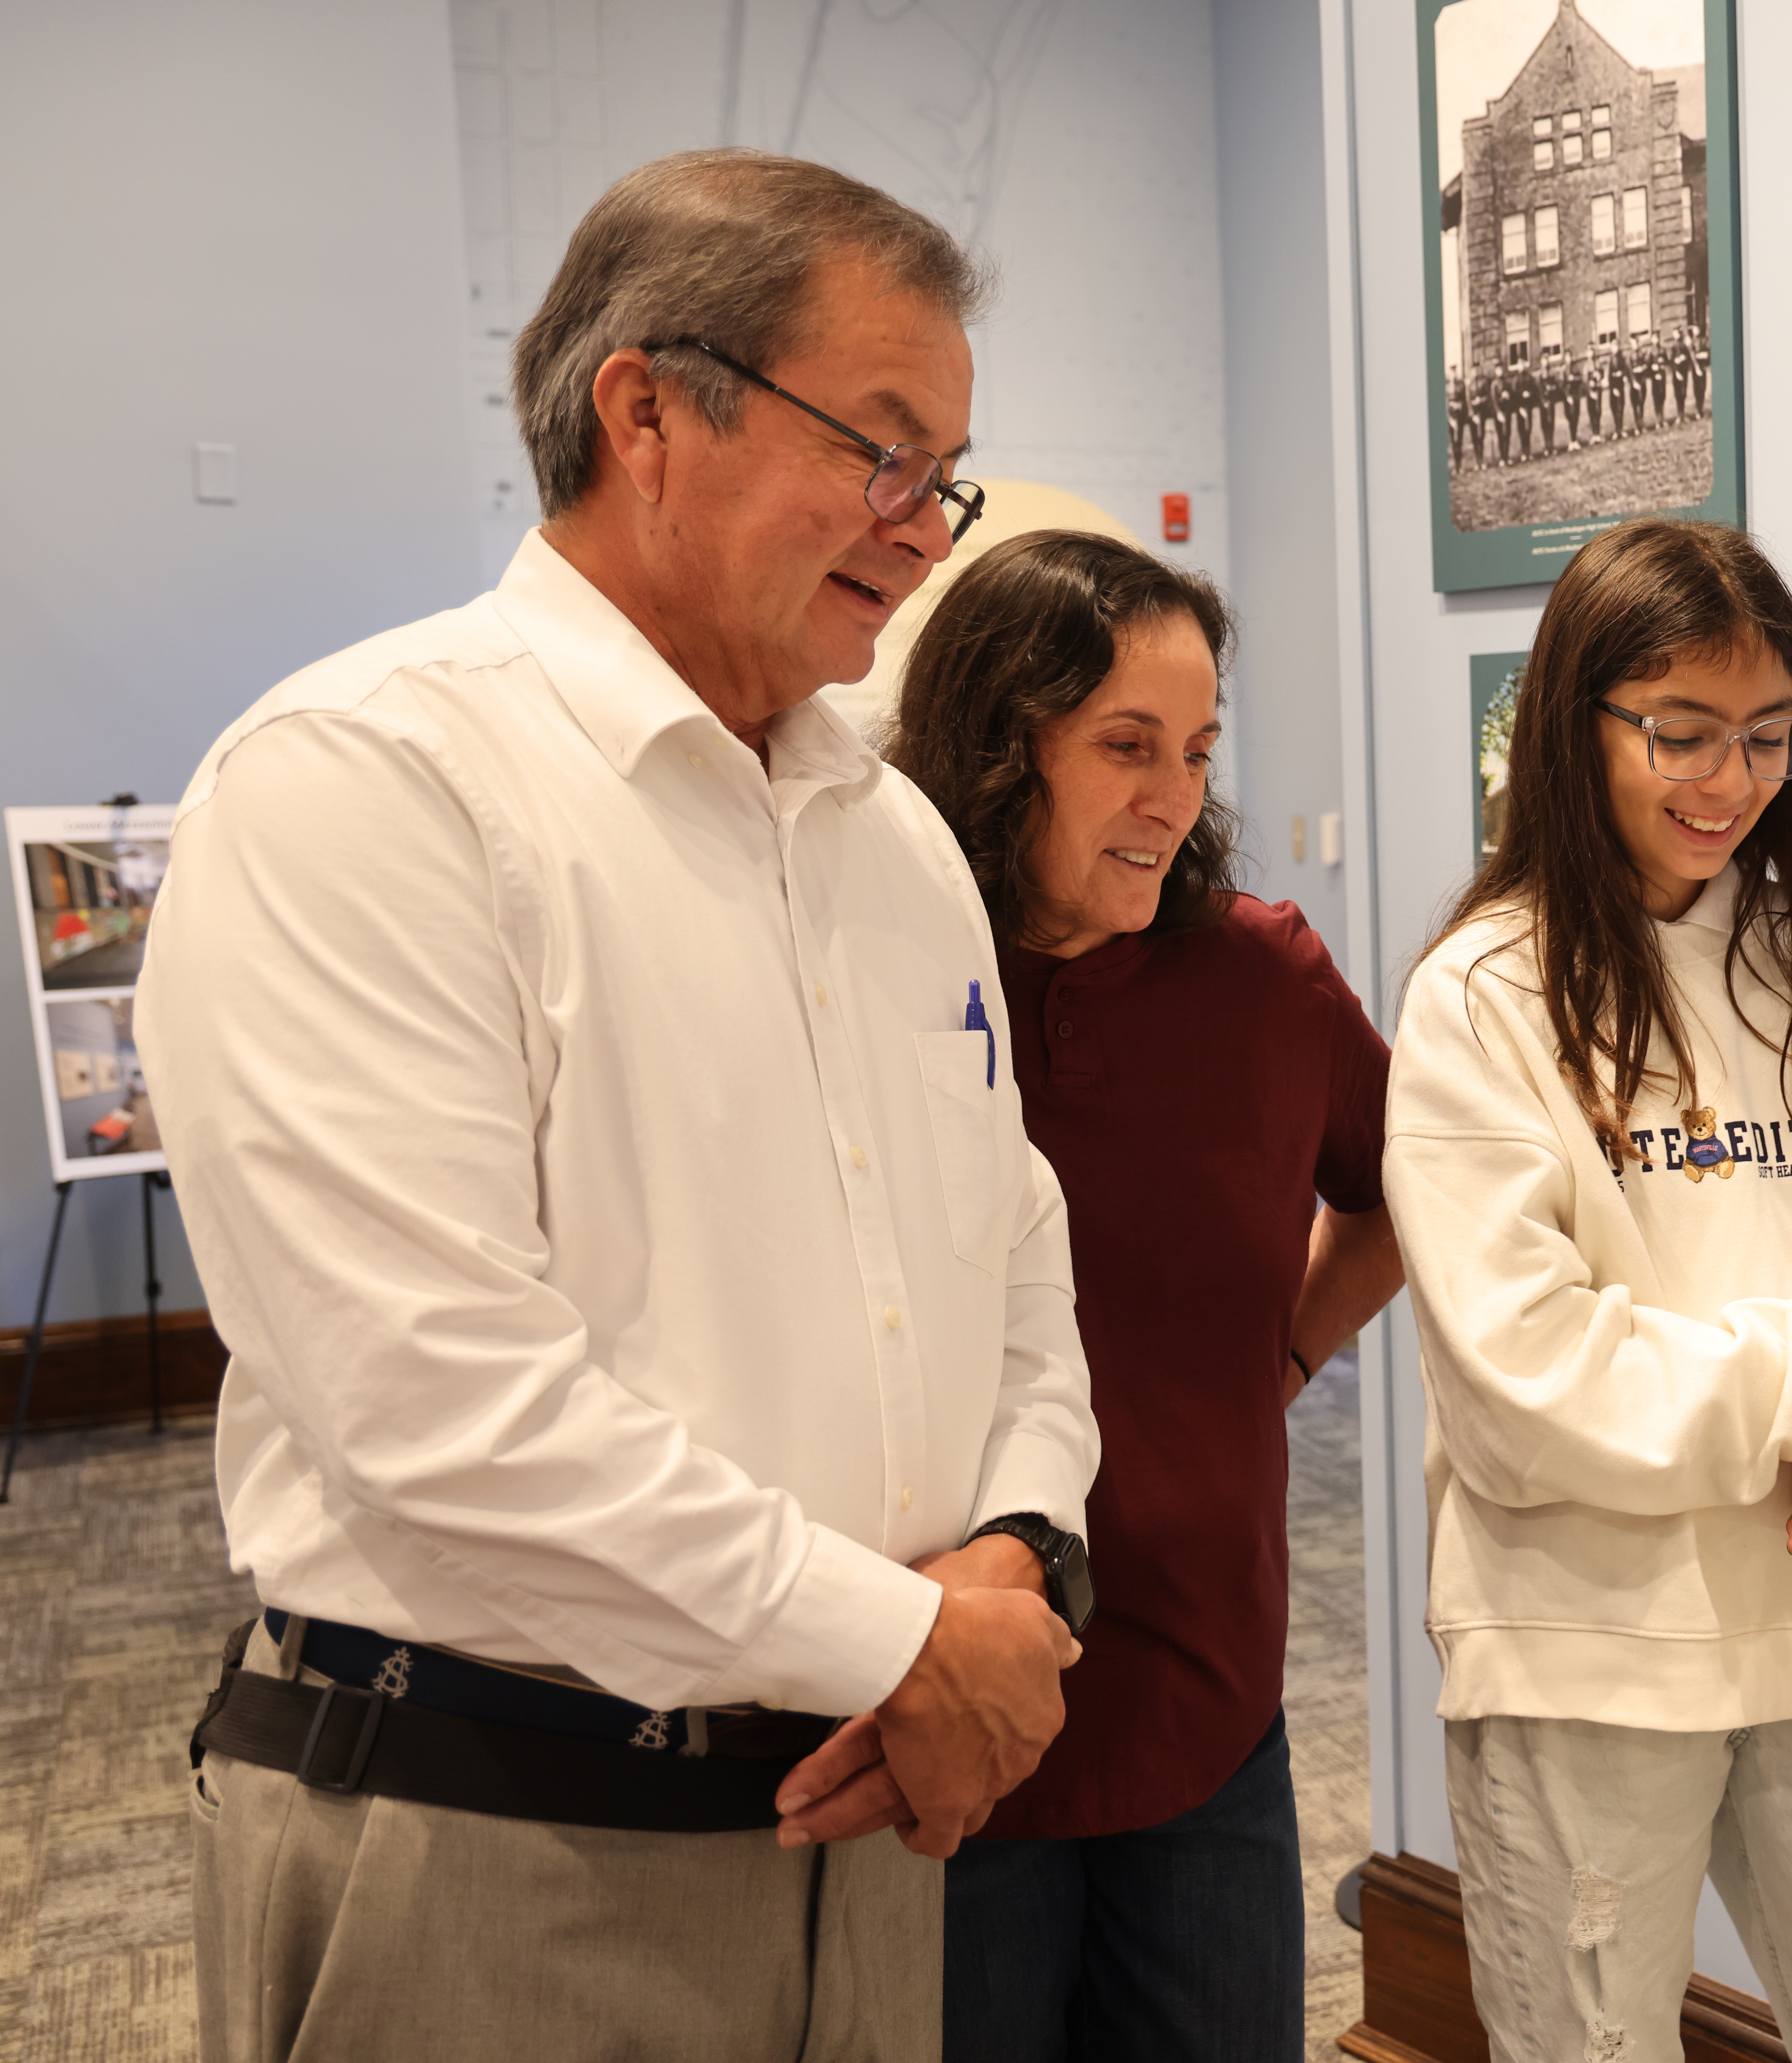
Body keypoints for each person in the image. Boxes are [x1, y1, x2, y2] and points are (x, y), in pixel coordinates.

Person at [144, 150, 1097, 2063]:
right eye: (882, 453)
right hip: (501, 1840)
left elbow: (1010, 1250)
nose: (929, 532)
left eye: (949, 475)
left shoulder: (892, 834)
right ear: (645, 408)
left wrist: (1016, 1547)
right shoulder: (370, 783)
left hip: (868, 1829)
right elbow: (437, 1402)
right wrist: (909, 1640)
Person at [1387, 520, 1792, 2063]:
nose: (1726, 782)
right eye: (1679, 732)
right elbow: (1526, 1386)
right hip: (1587, 1644)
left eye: (1767, 737)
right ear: (1573, 722)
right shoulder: (1481, 996)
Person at [884, 531, 1402, 2061]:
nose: (1172, 794)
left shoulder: (1261, 977)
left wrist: (1287, 1353)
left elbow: (1403, 1196)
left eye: (1194, 748)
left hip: (1204, 1691)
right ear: (998, 745)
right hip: (947, 1699)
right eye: (1124, 746)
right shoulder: (886, 976)